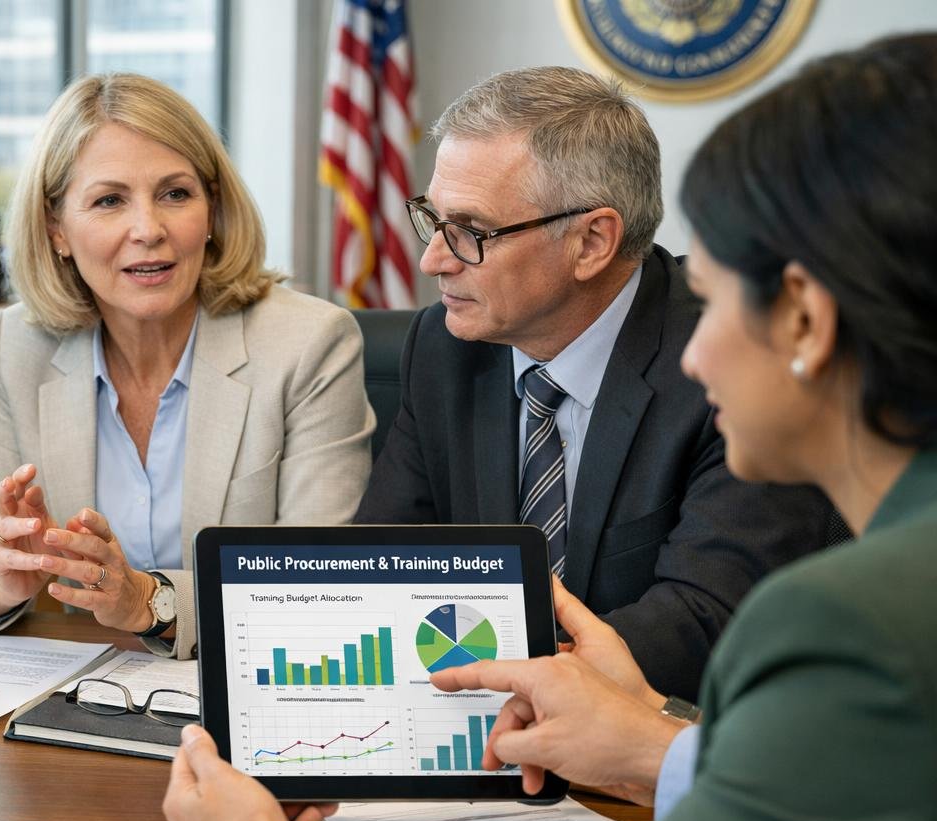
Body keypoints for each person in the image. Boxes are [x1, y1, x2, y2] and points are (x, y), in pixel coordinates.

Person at [162, 34, 937, 821]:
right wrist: (656, 746)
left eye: (717, 297)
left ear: (806, 321)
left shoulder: (853, 633)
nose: (696, 350)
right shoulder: (451, 346)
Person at [357, 65, 834, 700]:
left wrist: (516, 683)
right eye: (432, 219)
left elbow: (701, 618)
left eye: (470, 231)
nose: (432, 259)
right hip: (480, 725)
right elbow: (376, 567)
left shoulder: (731, 358)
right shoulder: (444, 348)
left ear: (592, 241)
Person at [0, 73, 373, 658]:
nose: (149, 230)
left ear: (212, 209)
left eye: (175, 194)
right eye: (110, 200)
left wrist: (149, 602)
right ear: (57, 228)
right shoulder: (21, 343)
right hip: (86, 694)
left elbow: (315, 582)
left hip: (252, 689)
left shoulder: (309, 343)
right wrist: (4, 577)